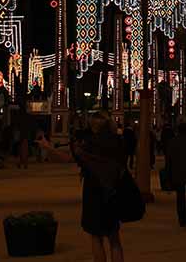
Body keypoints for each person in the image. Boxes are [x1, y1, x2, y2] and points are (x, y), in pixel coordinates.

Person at [73, 111, 126, 262]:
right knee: (114, 239)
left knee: (96, 238)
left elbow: (73, 157)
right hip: (112, 191)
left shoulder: (89, 144)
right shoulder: (117, 141)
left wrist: (48, 147)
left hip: (93, 192)